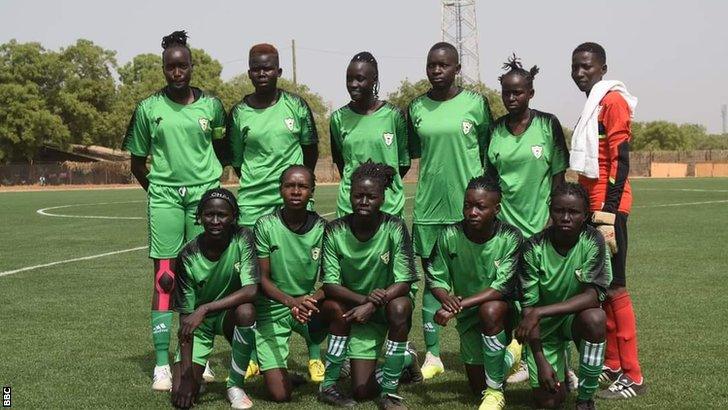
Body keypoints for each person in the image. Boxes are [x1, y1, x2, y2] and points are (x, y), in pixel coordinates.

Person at [122, 30, 227, 390]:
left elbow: (222, 149)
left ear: (192, 66)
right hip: (166, 196)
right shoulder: (148, 109)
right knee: (165, 278)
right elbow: (138, 162)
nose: (177, 72)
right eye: (170, 67)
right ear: (163, 69)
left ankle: (200, 356)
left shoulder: (212, 106)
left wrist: (210, 187)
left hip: (204, 197)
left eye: (182, 65)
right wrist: (159, 192)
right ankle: (163, 364)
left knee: (202, 275)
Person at [228, 42, 320, 379]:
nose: (262, 73)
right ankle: (252, 353)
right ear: (249, 71)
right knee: (255, 282)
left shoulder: (296, 106)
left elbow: (309, 152)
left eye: (268, 68)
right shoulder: (238, 113)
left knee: (303, 277)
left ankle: (314, 354)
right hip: (253, 206)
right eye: (255, 67)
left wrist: (296, 188)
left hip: (294, 203)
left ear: (279, 71)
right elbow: (235, 158)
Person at [408, 42, 493, 379]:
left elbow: (486, 149)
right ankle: (432, 355)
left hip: (468, 209)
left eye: (444, 65)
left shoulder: (476, 104)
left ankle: (485, 348)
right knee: (433, 281)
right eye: (431, 65)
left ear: (457, 68)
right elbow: (412, 152)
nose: (436, 70)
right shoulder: (415, 108)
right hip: (429, 209)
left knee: (478, 279)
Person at [485, 54, 570, 386]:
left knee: (547, 303)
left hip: (541, 230)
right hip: (505, 232)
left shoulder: (548, 125)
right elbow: (491, 182)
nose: (512, 98)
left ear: (531, 92)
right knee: (507, 301)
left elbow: (559, 177)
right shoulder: (494, 130)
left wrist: (555, 223)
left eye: (518, 92)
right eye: (506, 92)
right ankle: (512, 359)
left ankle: (563, 366)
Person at [570, 42, 645, 399]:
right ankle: (613, 366)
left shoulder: (612, 100)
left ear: (602, 68)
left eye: (586, 66)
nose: (580, 73)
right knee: (601, 288)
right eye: (575, 67)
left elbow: (622, 158)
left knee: (616, 288)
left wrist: (609, 212)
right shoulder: (594, 102)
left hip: (607, 206)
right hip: (592, 205)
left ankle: (632, 375)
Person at [319, 161, 420, 409]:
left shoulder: (394, 227)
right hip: (357, 308)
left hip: (388, 305)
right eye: (358, 196)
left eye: (371, 196)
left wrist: (375, 304)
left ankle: (389, 393)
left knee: (399, 307)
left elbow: (405, 281)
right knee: (362, 391)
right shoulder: (334, 230)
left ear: (382, 198)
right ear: (350, 196)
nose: (364, 201)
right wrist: (365, 302)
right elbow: (330, 284)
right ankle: (405, 360)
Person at [427, 175, 522, 410]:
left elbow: (503, 288)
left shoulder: (510, 237)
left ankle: (496, 391)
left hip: (503, 312)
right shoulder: (449, 235)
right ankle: (511, 357)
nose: (472, 212)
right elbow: (435, 276)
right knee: (476, 388)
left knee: (491, 309)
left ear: (496, 209)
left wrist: (458, 305)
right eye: (468, 205)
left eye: (480, 206)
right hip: (468, 314)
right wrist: (446, 299)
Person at [516, 183, 612, 410]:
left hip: (573, 320)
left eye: (574, 212)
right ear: (551, 211)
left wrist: (541, 311)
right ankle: (556, 362)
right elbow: (529, 309)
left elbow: (592, 296)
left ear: (585, 215)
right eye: (559, 210)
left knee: (595, 318)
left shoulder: (593, 241)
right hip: (543, 329)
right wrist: (540, 362)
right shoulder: (533, 247)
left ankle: (586, 397)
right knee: (548, 402)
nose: (566, 217)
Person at [170, 188, 259, 410]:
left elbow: (250, 291)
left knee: (246, 310)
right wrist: (188, 375)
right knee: (181, 396)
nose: (216, 221)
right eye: (209, 214)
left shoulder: (243, 237)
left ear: (234, 217)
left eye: (223, 215)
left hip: (229, 316)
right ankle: (195, 376)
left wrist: (205, 309)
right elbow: (186, 320)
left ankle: (235, 386)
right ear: (199, 217)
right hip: (199, 326)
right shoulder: (187, 256)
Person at [254, 165, 328, 400]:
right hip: (275, 306)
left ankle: (329, 364)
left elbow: (330, 281)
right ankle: (281, 374)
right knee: (279, 395)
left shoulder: (323, 228)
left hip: (309, 305)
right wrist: (290, 302)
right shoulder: (265, 225)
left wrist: (308, 301)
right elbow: (261, 279)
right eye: (290, 186)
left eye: (303, 186)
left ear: (312, 191)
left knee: (339, 307)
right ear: (281, 190)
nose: (296, 191)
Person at [330, 51, 410, 217]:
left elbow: (403, 163)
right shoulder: (338, 118)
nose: (353, 84)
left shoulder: (394, 115)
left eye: (359, 78)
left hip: (389, 207)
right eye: (349, 79)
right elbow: (341, 162)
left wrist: (381, 185)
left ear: (374, 80)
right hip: (349, 207)